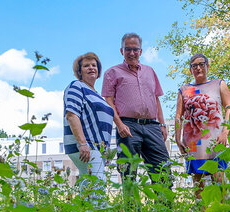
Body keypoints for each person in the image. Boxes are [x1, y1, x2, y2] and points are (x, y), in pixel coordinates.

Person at [102, 33, 171, 186]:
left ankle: (165, 208)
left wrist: (162, 124)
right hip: (128, 126)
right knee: (128, 171)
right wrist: (119, 124)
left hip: (152, 126)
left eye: (135, 49)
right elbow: (108, 101)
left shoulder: (150, 71)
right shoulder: (112, 73)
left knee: (162, 169)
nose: (131, 53)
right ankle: (132, 209)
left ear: (140, 51)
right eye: (128, 49)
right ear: (122, 51)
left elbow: (156, 98)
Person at [175, 53, 230, 198]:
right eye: (194, 66)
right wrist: (177, 138)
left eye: (201, 64)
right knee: (197, 180)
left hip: (216, 139)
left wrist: (226, 131)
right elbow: (178, 116)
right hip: (193, 141)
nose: (198, 68)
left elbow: (229, 108)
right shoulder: (184, 90)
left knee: (219, 178)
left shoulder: (219, 84)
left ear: (208, 66)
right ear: (190, 70)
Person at [64, 52, 114, 199]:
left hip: (97, 147)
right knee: (97, 186)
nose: (91, 68)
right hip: (87, 146)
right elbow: (72, 115)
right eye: (86, 66)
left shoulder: (97, 94)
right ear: (79, 71)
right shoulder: (77, 86)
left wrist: (105, 151)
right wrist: (83, 143)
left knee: (89, 185)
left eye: (94, 65)